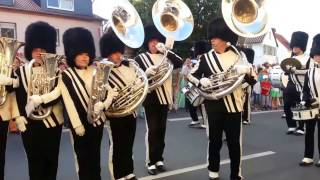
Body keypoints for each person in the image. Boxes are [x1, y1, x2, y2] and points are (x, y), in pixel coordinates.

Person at [27, 27, 110, 180]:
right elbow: (63, 97)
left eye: (86, 54)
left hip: (98, 122)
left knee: (96, 158)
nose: (84, 58)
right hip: (79, 124)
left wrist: (105, 103)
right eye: (80, 54)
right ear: (73, 55)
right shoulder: (66, 75)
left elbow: (106, 91)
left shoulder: (96, 70)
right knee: (83, 160)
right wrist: (40, 99)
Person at [187, 18, 256, 180]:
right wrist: (199, 81)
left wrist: (247, 72)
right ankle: (213, 170)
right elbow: (190, 75)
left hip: (234, 106)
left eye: (215, 37)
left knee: (234, 144)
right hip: (213, 106)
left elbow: (252, 80)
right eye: (211, 37)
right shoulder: (205, 58)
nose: (212, 40)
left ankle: (236, 174)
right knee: (214, 141)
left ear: (225, 38)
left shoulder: (239, 57)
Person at [1, 21, 63, 180]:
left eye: (42, 49)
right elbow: (14, 96)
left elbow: (59, 92)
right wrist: (18, 117)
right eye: (35, 49)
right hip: (29, 124)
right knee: (34, 162)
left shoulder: (56, 70)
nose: (38, 52)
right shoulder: (20, 71)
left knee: (51, 161)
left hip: (52, 121)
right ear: (30, 50)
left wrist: (41, 99)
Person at [134, 24, 183, 175]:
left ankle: (159, 158)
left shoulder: (166, 56)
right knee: (152, 130)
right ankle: (150, 161)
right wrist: (145, 73)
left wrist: (166, 50)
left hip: (164, 98)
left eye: (157, 41)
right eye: (152, 42)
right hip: (150, 99)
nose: (155, 44)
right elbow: (135, 77)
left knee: (161, 130)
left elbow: (180, 62)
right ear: (147, 43)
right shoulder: (140, 58)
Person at [98, 29, 138, 180]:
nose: (118, 55)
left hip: (131, 112)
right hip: (114, 114)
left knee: (128, 144)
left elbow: (137, 84)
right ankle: (118, 175)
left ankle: (128, 172)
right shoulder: (103, 70)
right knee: (116, 145)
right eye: (114, 52)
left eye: (119, 51)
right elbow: (100, 93)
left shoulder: (130, 67)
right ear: (107, 53)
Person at [284, 31, 313, 135]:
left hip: (302, 86)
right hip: (290, 84)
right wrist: (286, 70)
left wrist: (296, 71)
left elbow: (310, 71)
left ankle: (301, 127)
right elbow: (287, 71)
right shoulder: (291, 58)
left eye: (296, 46)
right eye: (293, 46)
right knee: (287, 105)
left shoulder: (309, 59)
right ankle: (291, 125)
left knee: (301, 106)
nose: (294, 48)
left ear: (301, 47)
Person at [299, 34, 320, 167]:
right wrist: (306, 100)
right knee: (309, 131)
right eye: (316, 55)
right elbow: (305, 89)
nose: (317, 57)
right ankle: (308, 156)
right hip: (312, 105)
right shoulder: (310, 71)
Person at [240, 48, 256, 124]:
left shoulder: (251, 66)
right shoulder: (242, 65)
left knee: (246, 103)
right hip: (240, 86)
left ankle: (247, 118)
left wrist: (245, 85)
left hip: (247, 86)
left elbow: (254, 79)